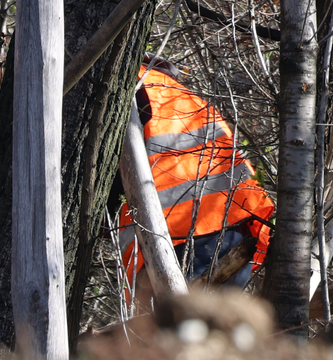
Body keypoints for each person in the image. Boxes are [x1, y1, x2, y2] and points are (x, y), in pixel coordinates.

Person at [117, 60, 275, 306]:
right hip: (235, 234)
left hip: (174, 244)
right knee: (214, 326)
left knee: (173, 326)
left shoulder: (127, 89)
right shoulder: (181, 95)